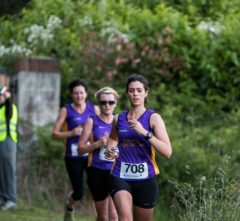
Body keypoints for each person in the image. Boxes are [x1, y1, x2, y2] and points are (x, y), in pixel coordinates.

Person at [105, 74, 172, 221]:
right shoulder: (119, 118)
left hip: (146, 178)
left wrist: (144, 132)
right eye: (131, 90)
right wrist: (110, 151)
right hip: (120, 176)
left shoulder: (153, 118)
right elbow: (111, 142)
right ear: (127, 93)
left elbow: (167, 152)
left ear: (146, 92)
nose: (135, 94)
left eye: (139, 90)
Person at [52, 78, 98, 221]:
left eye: (81, 93)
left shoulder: (94, 109)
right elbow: (54, 134)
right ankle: (69, 208)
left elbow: (103, 126)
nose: (79, 96)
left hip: (90, 154)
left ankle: (101, 217)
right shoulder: (66, 110)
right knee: (78, 192)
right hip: (72, 156)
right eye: (76, 93)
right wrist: (71, 133)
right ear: (72, 95)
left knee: (97, 189)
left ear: (86, 93)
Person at [78, 87, 119, 221]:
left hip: (115, 172)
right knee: (103, 216)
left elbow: (126, 147)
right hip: (97, 171)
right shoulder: (92, 120)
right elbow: (80, 149)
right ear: (99, 104)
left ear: (115, 103)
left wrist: (118, 154)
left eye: (110, 102)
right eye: (103, 102)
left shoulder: (120, 121)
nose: (107, 105)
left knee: (114, 216)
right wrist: (97, 144)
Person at [0, 86, 18, 211]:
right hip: (1, 141)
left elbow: (9, 112)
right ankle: (3, 198)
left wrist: (7, 99)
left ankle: (11, 199)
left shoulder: (9, 107)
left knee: (8, 170)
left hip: (8, 140)